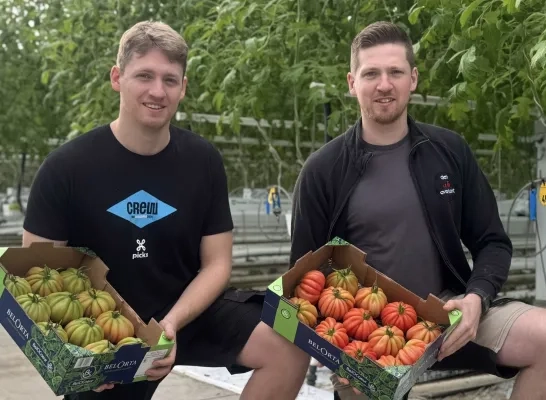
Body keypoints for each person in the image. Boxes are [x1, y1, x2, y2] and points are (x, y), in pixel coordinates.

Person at [22, 20, 310, 400]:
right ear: (116, 78)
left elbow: (217, 264)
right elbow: (36, 282)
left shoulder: (202, 161)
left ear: (183, 88)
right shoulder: (66, 168)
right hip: (105, 327)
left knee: (291, 340)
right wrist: (74, 355)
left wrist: (171, 324)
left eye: (170, 80)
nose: (157, 91)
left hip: (186, 311)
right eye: (144, 76)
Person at [289, 21, 546, 400]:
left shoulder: (448, 151)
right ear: (351, 83)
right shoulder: (324, 169)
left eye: (395, 72)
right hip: (368, 331)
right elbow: (303, 279)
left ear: (413, 79)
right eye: (371, 73)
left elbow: (492, 241)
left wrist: (477, 297)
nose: (384, 84)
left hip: (451, 311)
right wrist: (336, 344)